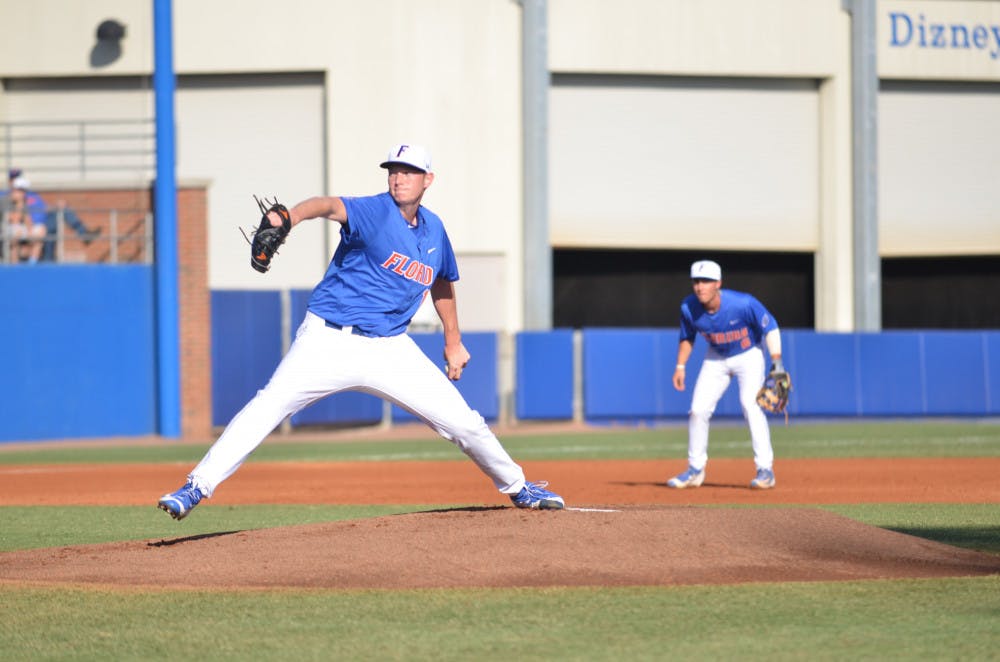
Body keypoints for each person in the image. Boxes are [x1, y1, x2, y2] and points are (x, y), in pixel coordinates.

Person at [158, 143, 565, 519]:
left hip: (389, 347)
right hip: (328, 340)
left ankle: (518, 487)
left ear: (428, 180)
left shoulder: (434, 231)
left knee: (464, 422)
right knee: (269, 404)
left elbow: (442, 282)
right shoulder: (375, 212)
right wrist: (290, 217)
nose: (398, 178)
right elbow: (329, 205)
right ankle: (194, 488)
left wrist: (453, 340)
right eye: (393, 170)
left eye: (409, 171)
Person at [666, 260, 787, 490]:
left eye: (706, 281)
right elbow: (687, 337)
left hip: (748, 353)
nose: (700, 287)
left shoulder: (742, 304)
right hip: (716, 357)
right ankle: (695, 470)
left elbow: (770, 327)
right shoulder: (689, 308)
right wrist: (680, 366)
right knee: (698, 409)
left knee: (750, 405)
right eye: (696, 281)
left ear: (718, 283)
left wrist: (777, 362)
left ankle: (765, 470)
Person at [1, 175, 48, 264]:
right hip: (6, 228)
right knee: (16, 232)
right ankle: (15, 265)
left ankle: (32, 264)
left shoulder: (24, 201)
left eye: (23, 191)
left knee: (41, 230)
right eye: (19, 190)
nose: (21, 193)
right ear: (13, 189)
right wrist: (20, 204)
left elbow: (28, 220)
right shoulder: (5, 201)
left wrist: (30, 231)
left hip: (19, 227)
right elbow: (14, 220)